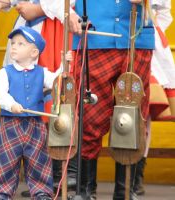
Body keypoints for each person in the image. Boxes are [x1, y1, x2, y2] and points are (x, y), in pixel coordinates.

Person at [0, 0, 78, 195]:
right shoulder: (5, 73)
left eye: (20, 44)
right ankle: (2, 193)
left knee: (38, 161)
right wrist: (11, 104)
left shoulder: (41, 72)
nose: (14, 47)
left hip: (34, 126)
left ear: (34, 52)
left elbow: (57, 81)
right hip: (11, 125)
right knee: (7, 162)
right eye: (13, 43)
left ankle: (42, 192)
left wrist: (63, 65)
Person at [69, 0, 155, 199]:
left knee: (132, 115)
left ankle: (125, 191)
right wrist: (69, 15)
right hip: (94, 38)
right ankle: (86, 191)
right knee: (90, 115)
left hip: (137, 38)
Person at [134, 0, 175, 195]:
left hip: (148, 42)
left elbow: (164, 11)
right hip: (114, 39)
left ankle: (135, 173)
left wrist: (152, 28)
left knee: (144, 109)